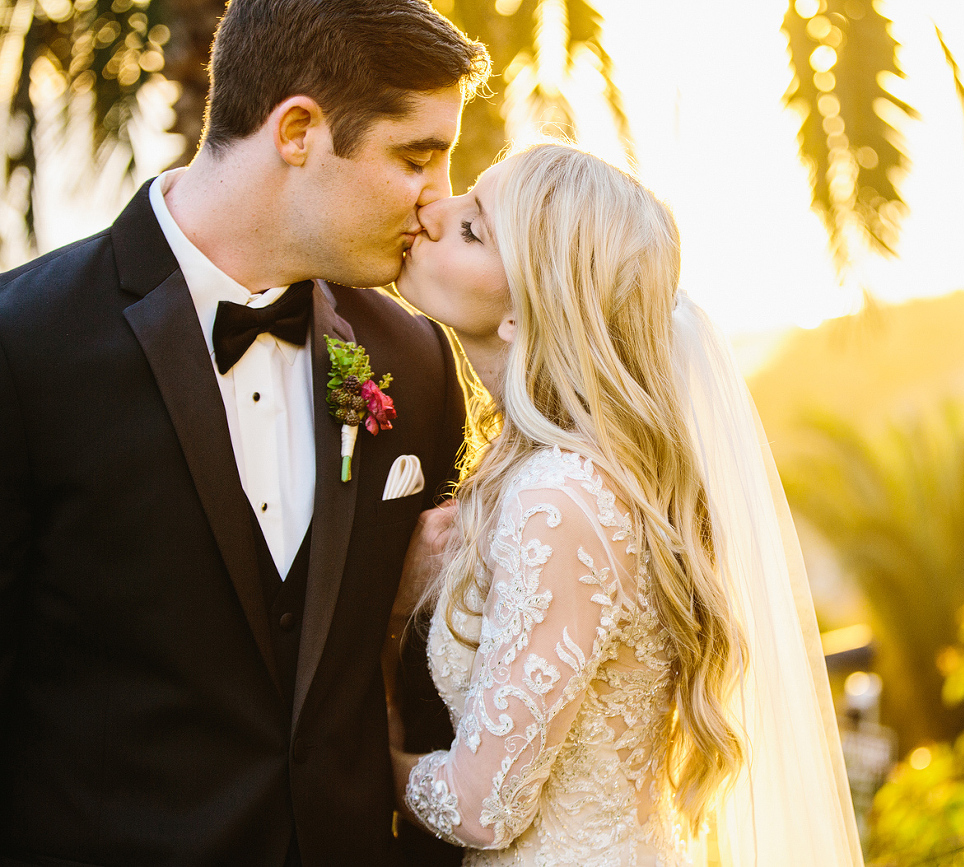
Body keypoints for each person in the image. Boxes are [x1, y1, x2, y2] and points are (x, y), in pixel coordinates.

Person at [0, 0, 485, 864]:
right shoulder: (24, 346)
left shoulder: (414, 361)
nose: (438, 198)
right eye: (417, 156)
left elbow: (433, 694)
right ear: (297, 130)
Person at [387, 143, 864, 866]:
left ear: (527, 311)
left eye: (473, 228)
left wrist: (351, 753)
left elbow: (480, 807)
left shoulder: (558, 494)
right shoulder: (566, 476)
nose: (433, 207)